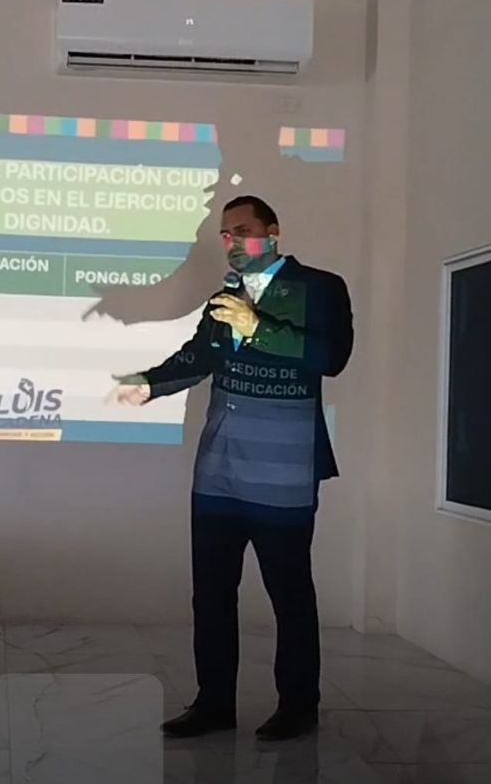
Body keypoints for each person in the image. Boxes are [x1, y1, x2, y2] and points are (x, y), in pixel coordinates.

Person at [112, 196, 353, 741]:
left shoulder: (320, 288)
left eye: (242, 230)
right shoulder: (225, 295)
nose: (232, 241)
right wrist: (147, 384)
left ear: (273, 231)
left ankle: (299, 706)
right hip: (218, 471)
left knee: (289, 594)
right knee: (212, 593)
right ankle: (214, 704)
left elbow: (330, 358)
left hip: (283, 474)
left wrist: (256, 325)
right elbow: (199, 357)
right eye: (225, 234)